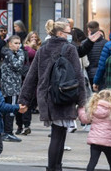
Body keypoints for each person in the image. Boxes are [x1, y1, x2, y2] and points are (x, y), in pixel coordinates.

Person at [19, 19, 87, 171]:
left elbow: (32, 76)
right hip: (64, 94)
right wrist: (82, 100)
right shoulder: (69, 49)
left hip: (46, 96)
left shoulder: (42, 49)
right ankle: (53, 167)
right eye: (70, 32)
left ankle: (56, 166)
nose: (71, 35)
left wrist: (24, 99)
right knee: (58, 135)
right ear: (61, 33)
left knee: (58, 133)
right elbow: (78, 75)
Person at [77, 89, 111, 171]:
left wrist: (81, 110)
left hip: (95, 142)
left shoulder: (93, 109)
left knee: (92, 162)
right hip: (108, 142)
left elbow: (84, 119)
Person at [0, 35, 26, 142]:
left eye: (19, 43)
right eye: (15, 43)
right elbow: (17, 65)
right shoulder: (11, 54)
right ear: (10, 43)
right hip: (11, 86)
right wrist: (21, 54)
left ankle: (4, 131)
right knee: (11, 109)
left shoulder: (8, 53)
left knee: (6, 109)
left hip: (8, 85)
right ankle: (8, 132)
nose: (18, 46)